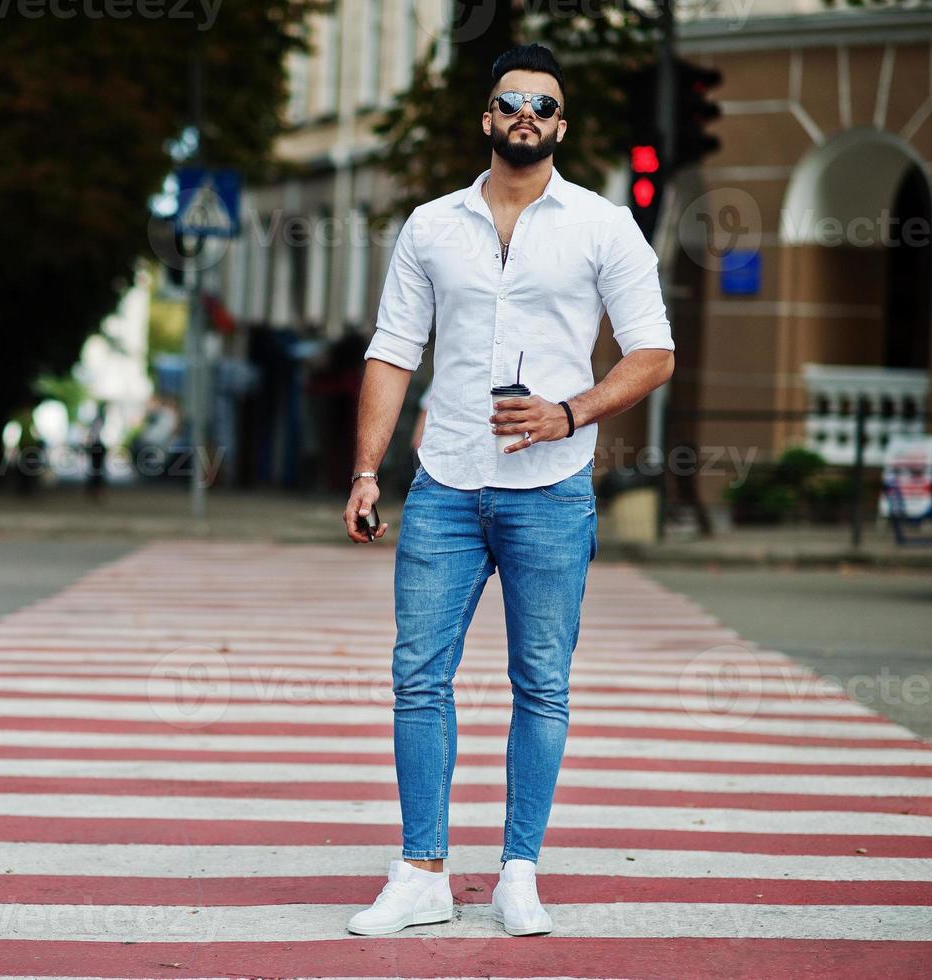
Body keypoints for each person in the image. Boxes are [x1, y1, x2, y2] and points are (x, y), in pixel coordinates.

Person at [342, 42, 675, 937]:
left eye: (542, 103)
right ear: (487, 118)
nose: (524, 113)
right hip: (447, 482)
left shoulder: (602, 225)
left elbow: (652, 351)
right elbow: (391, 351)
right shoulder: (430, 225)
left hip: (552, 488)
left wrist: (570, 414)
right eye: (508, 101)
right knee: (418, 678)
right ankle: (419, 871)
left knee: (542, 685)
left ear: (560, 126)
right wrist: (368, 472)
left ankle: (518, 871)